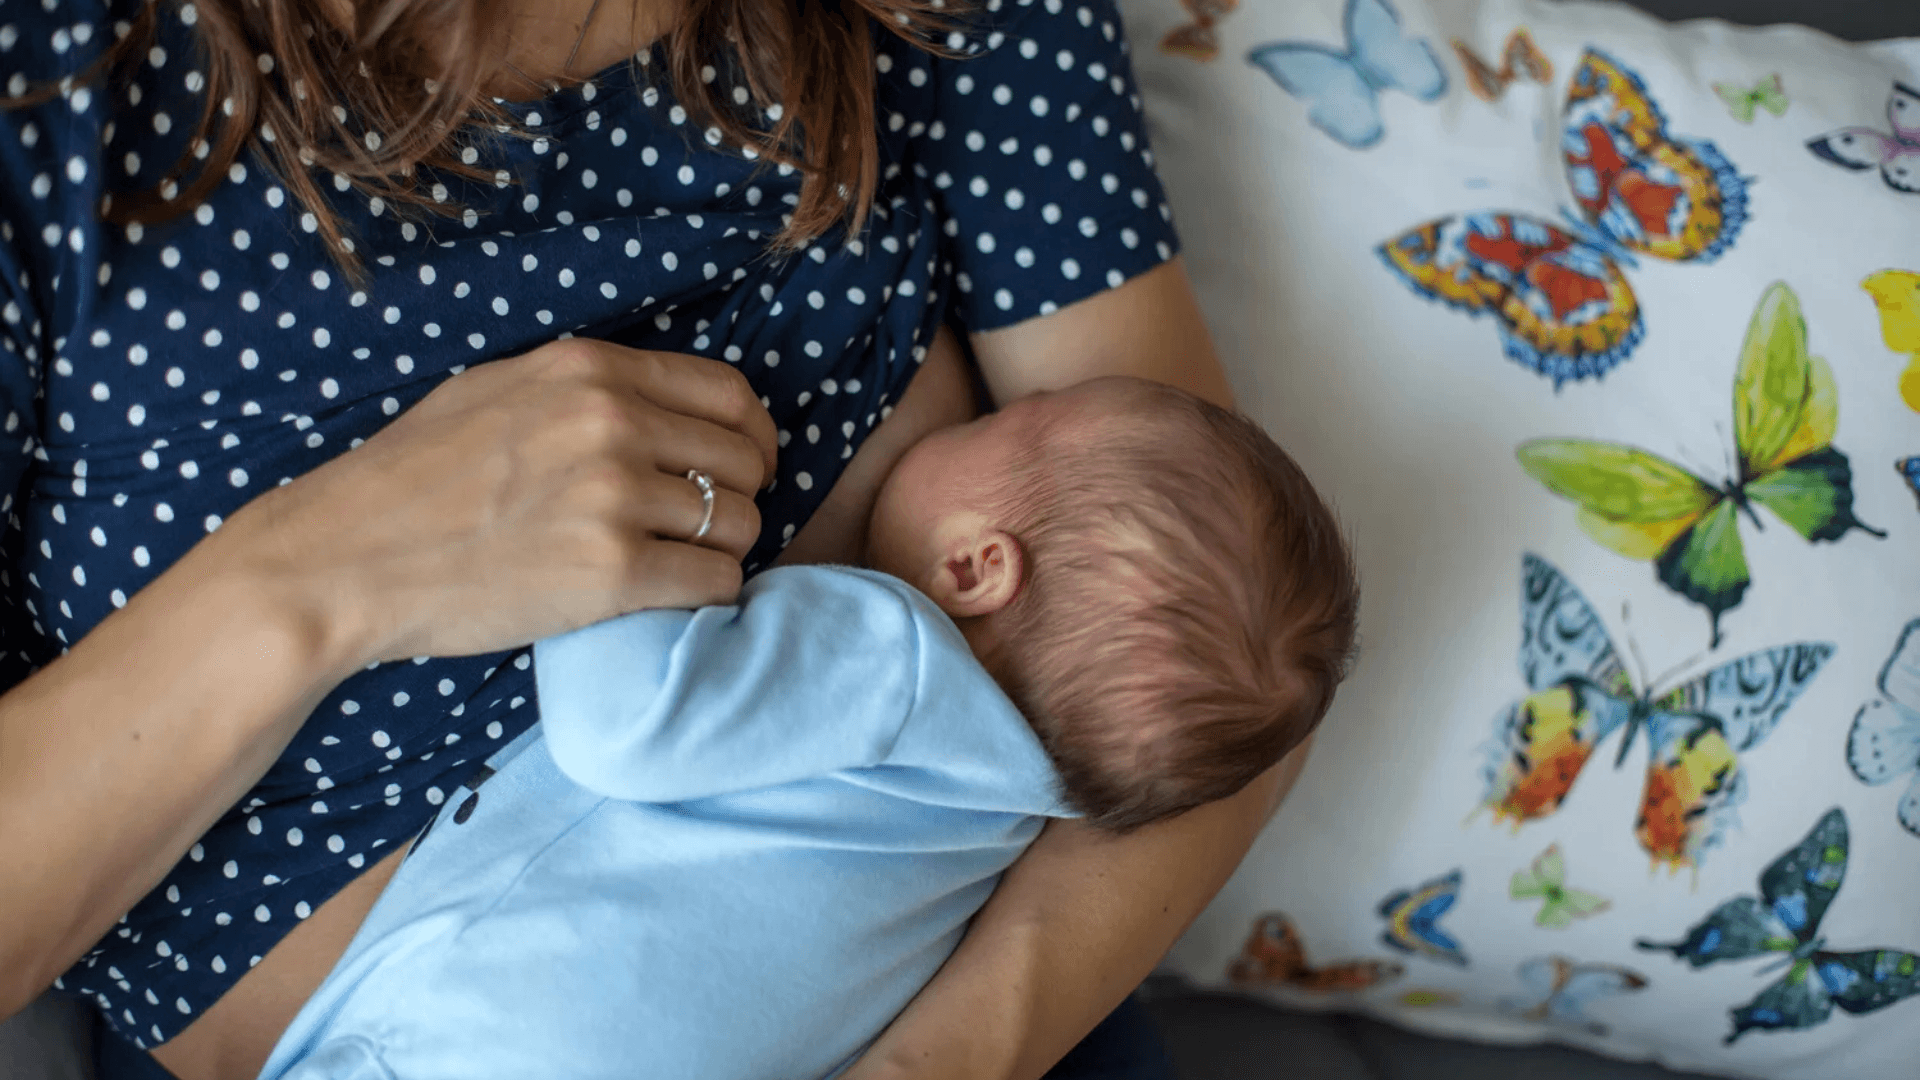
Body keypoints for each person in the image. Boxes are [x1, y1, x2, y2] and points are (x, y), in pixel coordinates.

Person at [0, 0, 1319, 1073]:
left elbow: (1223, 675)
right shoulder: (54, 69)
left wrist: (952, 1059)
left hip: (969, 1006)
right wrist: (326, 574)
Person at [254, 375, 1359, 1080]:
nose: (982, 406)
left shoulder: (897, 654)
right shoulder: (1004, 819)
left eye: (1003, 421)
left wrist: (626, 524)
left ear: (978, 568)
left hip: (491, 1038)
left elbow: (622, 729)